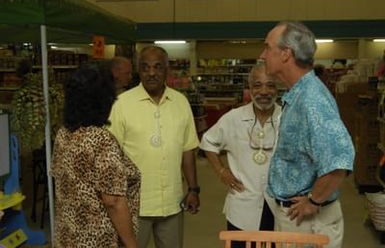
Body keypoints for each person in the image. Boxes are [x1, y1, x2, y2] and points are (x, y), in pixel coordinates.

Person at [260, 21, 355, 248]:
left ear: (286, 54)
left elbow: (340, 159)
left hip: (307, 222)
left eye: (267, 47)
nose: (262, 55)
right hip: (295, 218)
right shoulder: (299, 94)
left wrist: (313, 201)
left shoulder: (311, 100)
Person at [108, 45, 200, 248]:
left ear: (167, 70)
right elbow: (111, 156)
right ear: (138, 71)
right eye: (145, 67)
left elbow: (187, 149)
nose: (151, 73)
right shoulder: (122, 104)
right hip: (134, 205)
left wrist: (193, 188)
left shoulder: (181, 102)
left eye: (158, 67)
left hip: (172, 202)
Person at [50, 63, 140, 248]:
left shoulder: (63, 134)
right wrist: (132, 244)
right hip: (98, 239)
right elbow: (113, 200)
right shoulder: (101, 139)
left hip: (67, 235)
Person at [200, 63, 281, 248]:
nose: (264, 91)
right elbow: (208, 142)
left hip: (277, 207)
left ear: (278, 88)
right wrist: (221, 170)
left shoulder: (286, 117)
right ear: (250, 88)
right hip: (242, 206)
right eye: (257, 85)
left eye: (270, 85)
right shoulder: (233, 118)